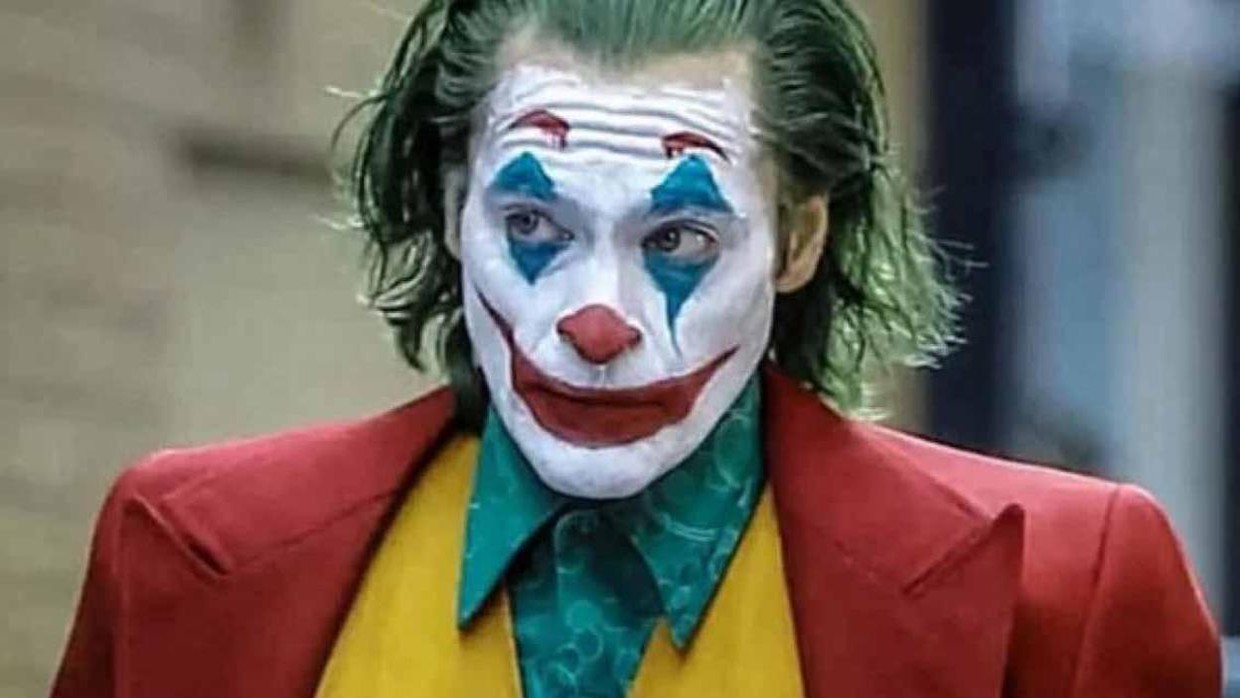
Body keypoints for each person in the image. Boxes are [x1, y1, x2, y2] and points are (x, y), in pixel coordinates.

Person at [52, 0, 1220, 696]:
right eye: (533, 225)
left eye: (678, 237)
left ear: (798, 237)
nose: (595, 318)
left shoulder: (1054, 594)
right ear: (453, 207)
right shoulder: (190, 557)